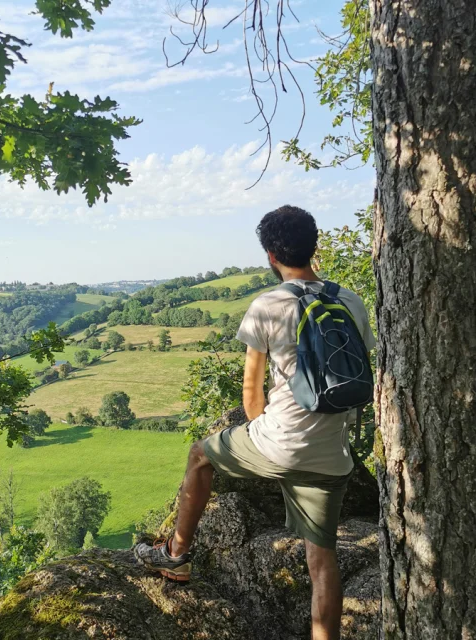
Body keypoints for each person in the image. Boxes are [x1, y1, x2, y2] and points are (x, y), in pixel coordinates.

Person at [134, 205, 376, 640]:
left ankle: (176, 555)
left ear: (270, 255)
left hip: (276, 443)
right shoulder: (351, 301)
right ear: (314, 245)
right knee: (322, 563)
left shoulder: (268, 304)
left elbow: (251, 395)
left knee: (199, 457)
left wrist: (262, 439)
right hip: (332, 457)